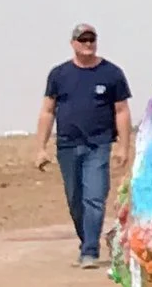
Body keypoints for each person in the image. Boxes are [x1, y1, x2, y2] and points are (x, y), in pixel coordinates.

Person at [36, 24, 132, 267]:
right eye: (82, 40)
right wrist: (40, 147)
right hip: (67, 145)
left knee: (94, 197)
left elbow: (121, 111)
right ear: (73, 43)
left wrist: (123, 146)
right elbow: (48, 111)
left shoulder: (111, 74)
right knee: (75, 199)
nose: (87, 44)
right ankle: (86, 239)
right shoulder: (59, 75)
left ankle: (90, 250)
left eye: (91, 40)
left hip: (98, 145)